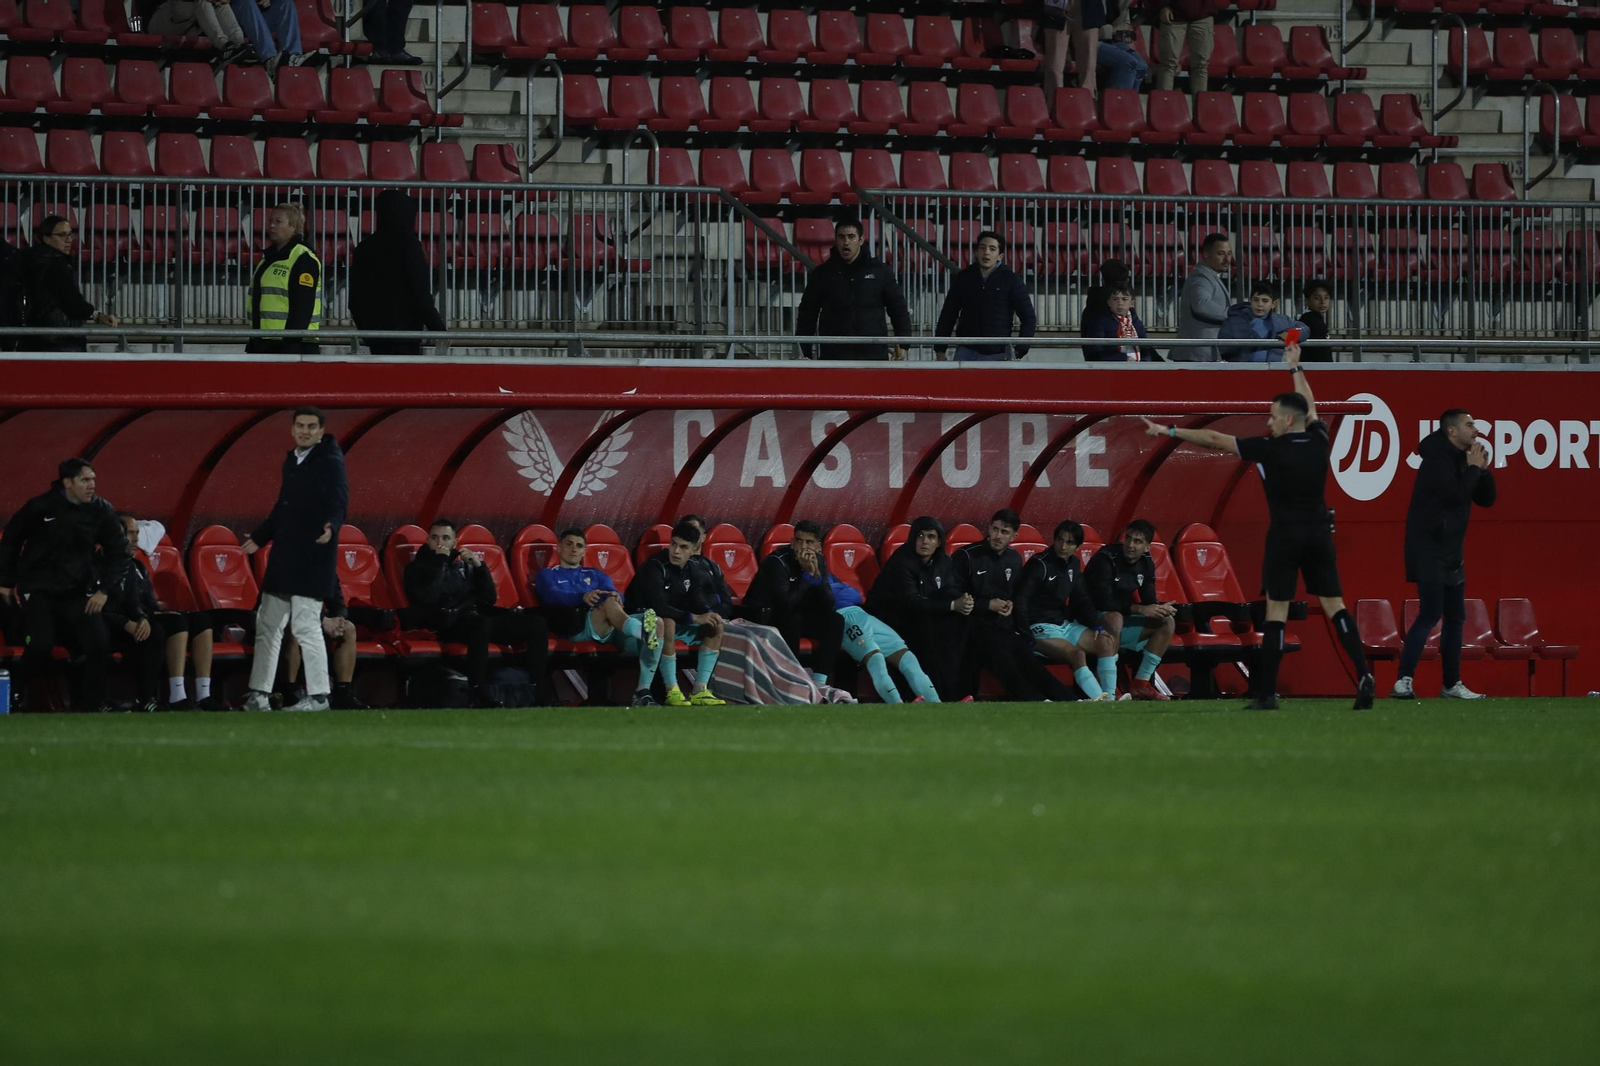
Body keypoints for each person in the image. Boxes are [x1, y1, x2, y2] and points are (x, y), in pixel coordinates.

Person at [1140, 344, 1376, 710]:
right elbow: (1311, 406)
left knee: (1276, 611)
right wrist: (1295, 368)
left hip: (1285, 535)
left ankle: (1266, 693)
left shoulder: (1270, 449)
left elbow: (1216, 440)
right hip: (1318, 533)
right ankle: (1363, 673)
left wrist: (1170, 430)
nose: (1268, 422)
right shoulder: (1318, 440)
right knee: (1335, 606)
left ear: (1287, 421)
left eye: (1272, 417)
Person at [240, 407, 348, 712]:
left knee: (305, 626)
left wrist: (332, 525)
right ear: (292, 429)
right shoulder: (293, 461)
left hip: (313, 555)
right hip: (285, 557)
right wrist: (260, 537)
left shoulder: (329, 460)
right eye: (299, 426)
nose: (304, 431)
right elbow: (282, 507)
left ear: (320, 430)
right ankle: (259, 694)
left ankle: (319, 696)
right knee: (268, 624)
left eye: (311, 427)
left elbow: (339, 499)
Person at [0, 459, 127, 713]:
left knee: (99, 643)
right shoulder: (40, 506)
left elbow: (119, 552)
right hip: (38, 588)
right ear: (67, 483)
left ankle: (91, 706)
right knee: (40, 645)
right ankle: (14, 693)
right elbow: (11, 540)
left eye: (93, 479)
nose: (91, 486)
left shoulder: (101, 510)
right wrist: (5, 582)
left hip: (77, 590)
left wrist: (104, 590)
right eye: (84, 480)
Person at [1394, 410, 1496, 701]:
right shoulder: (1437, 459)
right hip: (1429, 548)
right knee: (1429, 614)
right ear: (1452, 431)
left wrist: (1483, 470)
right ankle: (1404, 681)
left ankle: (1451, 684)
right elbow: (1454, 495)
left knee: (1455, 618)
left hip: (1452, 550)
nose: (1475, 429)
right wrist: (1473, 470)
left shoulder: (1465, 459)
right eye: (1469, 424)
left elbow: (1486, 500)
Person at [402, 518, 550, 708]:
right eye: (435, 537)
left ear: (454, 543)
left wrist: (480, 568)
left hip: (474, 620)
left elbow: (488, 599)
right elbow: (429, 596)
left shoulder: (463, 566)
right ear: (427, 541)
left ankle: (537, 691)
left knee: (536, 623)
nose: (440, 542)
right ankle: (478, 690)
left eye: (446, 538)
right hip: (444, 623)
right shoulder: (416, 568)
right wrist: (439, 560)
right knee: (481, 624)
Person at [952, 509, 1078, 702]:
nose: (997, 535)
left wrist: (1008, 606)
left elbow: (1013, 595)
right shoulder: (967, 556)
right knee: (1006, 664)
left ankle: (1071, 701)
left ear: (1014, 535)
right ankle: (1037, 701)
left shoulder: (1014, 558)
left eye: (1004, 532)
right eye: (995, 529)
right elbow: (954, 597)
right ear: (989, 528)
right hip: (973, 628)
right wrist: (987, 605)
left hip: (1003, 627)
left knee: (1030, 662)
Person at [105, 511, 227, 710]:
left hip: (145, 616)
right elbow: (119, 605)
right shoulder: (106, 567)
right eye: (131, 533)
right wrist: (143, 617)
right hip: (127, 623)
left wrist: (156, 612)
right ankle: (176, 694)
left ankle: (204, 694)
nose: (136, 539)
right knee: (176, 623)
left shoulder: (137, 566)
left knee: (202, 620)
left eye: (137, 533)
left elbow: (148, 601)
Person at [866, 516, 972, 702]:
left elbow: (950, 589)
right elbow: (910, 601)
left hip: (921, 615)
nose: (924, 542)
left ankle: (952, 693)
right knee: (929, 632)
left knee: (961, 623)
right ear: (912, 538)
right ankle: (926, 695)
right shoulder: (901, 562)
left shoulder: (944, 561)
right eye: (920, 536)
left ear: (939, 542)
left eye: (931, 537)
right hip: (887, 618)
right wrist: (952, 605)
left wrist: (964, 600)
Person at [535, 528, 662, 684]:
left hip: (610, 625)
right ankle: (639, 631)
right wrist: (582, 597)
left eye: (579, 546)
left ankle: (643, 691)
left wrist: (615, 595)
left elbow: (615, 593)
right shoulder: (547, 574)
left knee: (658, 623)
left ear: (584, 552)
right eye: (569, 544)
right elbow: (551, 596)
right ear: (559, 548)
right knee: (610, 604)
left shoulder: (594, 573)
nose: (574, 549)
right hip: (577, 625)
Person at [625, 521, 727, 707]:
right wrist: (695, 618)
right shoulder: (655, 566)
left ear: (694, 549)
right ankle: (672, 690)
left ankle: (699, 690)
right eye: (673, 544)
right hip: (640, 625)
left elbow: (698, 600)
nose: (676, 551)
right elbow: (658, 607)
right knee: (668, 621)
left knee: (715, 624)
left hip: (669, 624)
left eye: (683, 547)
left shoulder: (694, 568)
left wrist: (709, 614)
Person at [1015, 520, 1117, 701]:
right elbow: (1020, 601)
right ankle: (1100, 701)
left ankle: (1111, 698)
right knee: (1077, 654)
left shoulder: (1073, 564)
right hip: (1039, 626)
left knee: (1106, 642)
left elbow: (1082, 599)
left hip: (1063, 625)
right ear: (1053, 540)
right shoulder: (1039, 564)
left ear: (1077, 546)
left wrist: (1097, 626)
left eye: (1069, 543)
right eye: (1060, 540)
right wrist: (1025, 635)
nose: (1063, 546)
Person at [794, 218, 912, 361]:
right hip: (834, 355)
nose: (846, 242)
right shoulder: (822, 274)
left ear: (861, 240)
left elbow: (898, 308)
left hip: (873, 356)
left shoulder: (881, 272)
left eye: (851, 237)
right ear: (835, 240)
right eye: (841, 237)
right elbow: (808, 313)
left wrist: (903, 343)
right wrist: (805, 350)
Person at [1083, 520, 1177, 700]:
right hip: (1091, 624)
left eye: (1138, 541)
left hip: (1119, 622)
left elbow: (1149, 598)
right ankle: (1108, 690)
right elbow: (1104, 602)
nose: (1131, 545)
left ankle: (1141, 684)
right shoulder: (1105, 558)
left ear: (1147, 547)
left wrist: (1160, 608)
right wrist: (1141, 609)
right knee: (1114, 618)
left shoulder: (1147, 562)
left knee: (1166, 622)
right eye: (1129, 538)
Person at [741, 520, 843, 685]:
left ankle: (819, 683)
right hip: (765, 616)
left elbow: (829, 604)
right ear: (792, 542)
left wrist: (816, 577)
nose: (803, 546)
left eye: (809, 542)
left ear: (818, 545)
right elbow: (785, 604)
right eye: (799, 540)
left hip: (794, 615)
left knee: (835, 620)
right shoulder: (777, 561)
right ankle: (793, 679)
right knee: (793, 617)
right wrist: (807, 576)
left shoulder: (819, 560)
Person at [349, 190, 446, 355]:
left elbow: (355, 300)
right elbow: (420, 294)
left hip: (375, 336)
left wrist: (367, 331)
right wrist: (438, 329)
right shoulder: (409, 246)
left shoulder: (363, 249)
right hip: (405, 335)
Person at [826, 573, 940, 703]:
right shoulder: (807, 575)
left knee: (908, 658)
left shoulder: (828, 574)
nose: (815, 552)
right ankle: (896, 705)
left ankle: (936, 704)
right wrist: (843, 592)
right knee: (876, 658)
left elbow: (855, 595)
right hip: (843, 617)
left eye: (818, 551)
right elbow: (829, 598)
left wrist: (841, 592)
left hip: (861, 613)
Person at [933, 229, 1036, 362]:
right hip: (966, 351)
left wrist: (1020, 350)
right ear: (976, 252)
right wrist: (940, 350)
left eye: (992, 249)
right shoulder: (964, 278)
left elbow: (1028, 317)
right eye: (982, 248)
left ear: (1000, 256)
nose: (986, 252)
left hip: (998, 354)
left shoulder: (1011, 279)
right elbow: (948, 314)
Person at [19, 216, 117, 352]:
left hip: (34, 339)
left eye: (70, 234)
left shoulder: (28, 261)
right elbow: (73, 304)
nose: (69, 240)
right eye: (62, 235)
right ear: (46, 239)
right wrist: (98, 316)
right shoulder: (57, 265)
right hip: (62, 339)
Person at [247, 202, 320, 355]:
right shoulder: (267, 259)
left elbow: (302, 309)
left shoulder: (303, 259)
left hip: (294, 346)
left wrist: (289, 347)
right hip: (265, 343)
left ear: (293, 227)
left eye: (278, 222)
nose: (272, 226)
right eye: (270, 221)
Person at [1172, 233, 1231, 362]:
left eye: (1229, 253)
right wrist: (1233, 314)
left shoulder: (1207, 275)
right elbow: (1202, 305)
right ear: (1206, 254)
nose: (1227, 259)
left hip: (1200, 353)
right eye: (1221, 253)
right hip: (1198, 353)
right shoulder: (1201, 277)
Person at [141, 0, 253, 62]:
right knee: (203, 1)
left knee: (221, 3)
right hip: (162, 23)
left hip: (188, 28)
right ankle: (224, 45)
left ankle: (239, 44)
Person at [1218, 280, 1300, 363]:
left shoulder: (1283, 321)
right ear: (1250, 301)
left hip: (1272, 371)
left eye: (1265, 301)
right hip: (1242, 372)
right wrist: (1245, 341)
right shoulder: (1232, 322)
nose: (1259, 304)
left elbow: (1304, 329)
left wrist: (1290, 334)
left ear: (1273, 304)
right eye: (1256, 300)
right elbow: (1222, 349)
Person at [1150, 0, 1215, 96]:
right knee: (1168, 64)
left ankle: (1201, 108)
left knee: (1201, 65)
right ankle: (1163, 107)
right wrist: (1162, 6)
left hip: (1203, 14)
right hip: (1172, 14)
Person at [1083, 283, 1160, 362]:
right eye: (1115, 299)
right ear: (1109, 303)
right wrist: (1122, 359)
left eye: (1124, 299)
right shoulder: (1100, 322)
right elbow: (1094, 351)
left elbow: (1145, 349)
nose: (1120, 303)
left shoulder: (1137, 323)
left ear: (1132, 303)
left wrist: (1144, 362)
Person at [228, 0, 305, 76]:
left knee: (286, 2)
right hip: (236, 13)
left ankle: (292, 57)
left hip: (259, 13)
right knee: (247, 2)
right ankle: (270, 60)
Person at [1097, 8, 1148, 90]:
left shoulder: (1121, 3)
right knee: (1128, 63)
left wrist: (1126, 34)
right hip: (1092, 43)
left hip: (1114, 41)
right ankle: (1117, 101)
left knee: (1141, 66)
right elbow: (1087, 32)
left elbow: (1123, 26)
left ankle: (1130, 101)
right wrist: (1114, 30)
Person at [1297, 280, 1333, 359]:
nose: (1323, 302)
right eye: (1317, 298)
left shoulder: (1318, 318)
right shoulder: (1307, 319)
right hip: (1312, 367)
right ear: (1307, 301)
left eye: (1326, 297)